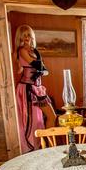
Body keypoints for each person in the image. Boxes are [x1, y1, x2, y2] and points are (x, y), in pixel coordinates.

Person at [14, 25, 56, 153]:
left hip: (37, 88)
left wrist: (41, 66)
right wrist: (41, 66)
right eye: (24, 35)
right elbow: (37, 65)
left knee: (51, 116)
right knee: (31, 122)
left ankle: (47, 145)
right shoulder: (22, 50)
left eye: (28, 35)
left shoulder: (34, 51)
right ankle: (39, 147)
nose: (27, 38)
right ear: (20, 37)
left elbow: (44, 70)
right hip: (27, 89)